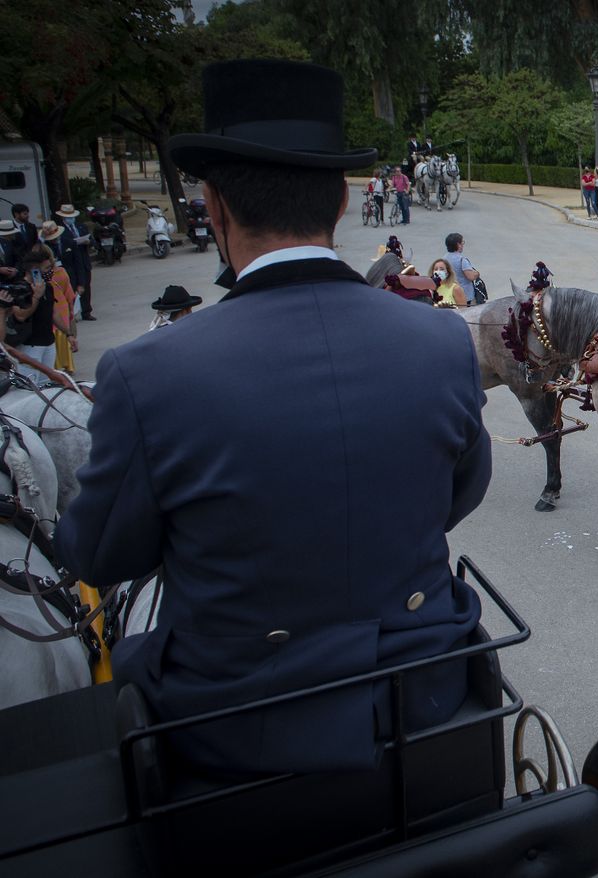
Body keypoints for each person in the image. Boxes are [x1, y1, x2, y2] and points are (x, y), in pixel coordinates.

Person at [56, 59, 490, 777]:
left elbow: (99, 555)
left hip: (232, 733)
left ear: (214, 207)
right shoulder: (441, 340)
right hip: (427, 697)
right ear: (344, 203)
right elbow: (460, 494)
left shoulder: (146, 373)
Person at [9, 246, 58, 384]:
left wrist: (69, 333)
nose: (50, 271)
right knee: (28, 386)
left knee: (48, 385)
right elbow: (20, 316)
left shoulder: (47, 287)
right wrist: (36, 296)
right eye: (47, 268)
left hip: (48, 343)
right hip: (30, 346)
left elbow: (53, 312)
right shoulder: (20, 288)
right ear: (34, 270)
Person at [37, 224, 78, 372]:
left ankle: (57, 366)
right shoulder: (61, 272)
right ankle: (66, 366)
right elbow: (69, 294)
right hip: (62, 308)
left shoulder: (37, 278)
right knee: (63, 335)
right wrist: (71, 307)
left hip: (53, 310)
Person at [55, 203, 95, 319]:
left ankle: (86, 311)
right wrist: (74, 242)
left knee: (86, 287)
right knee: (71, 287)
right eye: (68, 217)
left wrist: (88, 242)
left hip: (83, 260)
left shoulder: (81, 226)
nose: (70, 219)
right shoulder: (59, 229)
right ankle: (71, 313)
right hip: (69, 262)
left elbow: (91, 239)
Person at [443, 232, 481, 301]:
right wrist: (477, 273)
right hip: (465, 295)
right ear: (458, 245)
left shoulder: (444, 259)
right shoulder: (462, 260)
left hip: (450, 293)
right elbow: (470, 277)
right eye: (462, 243)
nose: (463, 245)